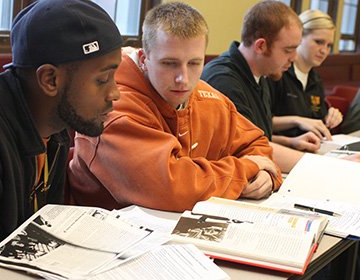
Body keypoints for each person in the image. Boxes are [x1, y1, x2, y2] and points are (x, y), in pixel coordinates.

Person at [68, 2, 282, 212]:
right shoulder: (109, 104)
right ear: (144, 59)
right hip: (107, 235)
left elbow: (256, 145)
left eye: (194, 63)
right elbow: (173, 187)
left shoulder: (208, 98)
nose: (183, 79)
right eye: (169, 63)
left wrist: (266, 177)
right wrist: (248, 168)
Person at [0, 0, 122, 260]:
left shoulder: (55, 124)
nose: (115, 93)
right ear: (50, 80)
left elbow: (44, 233)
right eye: (102, 80)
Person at [201, 1, 318, 173]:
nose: (294, 58)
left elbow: (259, 136)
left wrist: (291, 142)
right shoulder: (223, 80)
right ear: (261, 46)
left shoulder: (263, 73)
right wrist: (325, 166)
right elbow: (247, 147)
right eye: (288, 50)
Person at [269, 10, 342, 140]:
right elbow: (260, 121)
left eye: (328, 45)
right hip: (278, 148)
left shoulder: (316, 80)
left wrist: (331, 115)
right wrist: (297, 120)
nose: (324, 50)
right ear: (299, 37)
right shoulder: (277, 72)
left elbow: (317, 119)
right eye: (319, 42)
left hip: (310, 147)